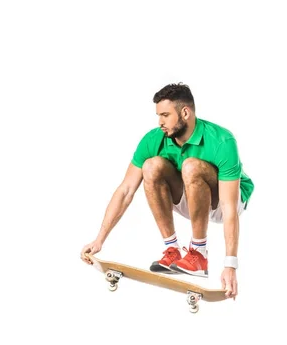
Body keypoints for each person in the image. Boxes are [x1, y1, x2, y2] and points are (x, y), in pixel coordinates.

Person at [80, 83, 254, 299]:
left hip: (226, 202)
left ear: (185, 112)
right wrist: (99, 240)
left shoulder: (222, 140)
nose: (160, 122)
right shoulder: (154, 138)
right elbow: (125, 190)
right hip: (189, 197)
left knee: (191, 165)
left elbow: (229, 208)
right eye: (158, 115)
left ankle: (198, 254)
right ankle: (173, 252)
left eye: (165, 115)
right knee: (151, 166)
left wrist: (230, 264)